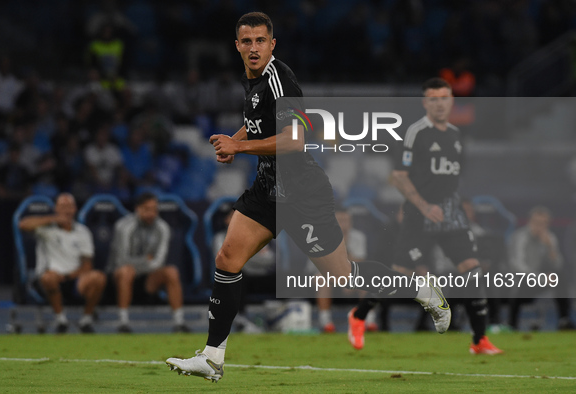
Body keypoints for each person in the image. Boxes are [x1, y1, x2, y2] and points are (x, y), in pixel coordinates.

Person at [166, 12, 451, 382]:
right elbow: (257, 122)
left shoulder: (279, 80)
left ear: (272, 44)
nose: (253, 48)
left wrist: (240, 145)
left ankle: (421, 289)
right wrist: (238, 143)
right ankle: (212, 357)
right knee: (227, 257)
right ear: (237, 45)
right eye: (246, 41)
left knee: (344, 276)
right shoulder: (251, 79)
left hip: (301, 193)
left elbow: (295, 139)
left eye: (260, 41)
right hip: (267, 190)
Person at [348, 78, 503, 355]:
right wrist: (423, 205)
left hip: (451, 217)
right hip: (419, 217)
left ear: (451, 101)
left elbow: (454, 179)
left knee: (473, 269)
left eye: (444, 97)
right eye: (433, 98)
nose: (439, 103)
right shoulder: (416, 133)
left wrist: (453, 207)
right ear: (425, 103)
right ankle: (359, 316)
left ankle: (479, 339)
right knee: (398, 276)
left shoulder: (456, 136)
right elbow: (398, 177)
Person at [18, 193, 106, 333]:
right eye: (63, 207)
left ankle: (86, 320)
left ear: (75, 209)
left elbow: (87, 265)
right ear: (56, 209)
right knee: (49, 278)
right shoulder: (45, 229)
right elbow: (23, 224)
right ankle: (61, 320)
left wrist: (70, 276)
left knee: (98, 277)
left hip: (73, 279)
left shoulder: (83, 232)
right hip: (49, 279)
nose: (67, 210)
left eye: (70, 206)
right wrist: (53, 218)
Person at [108, 192, 188, 333]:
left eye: (154, 209)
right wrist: (145, 260)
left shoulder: (163, 228)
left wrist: (139, 264)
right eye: (147, 209)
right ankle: (123, 322)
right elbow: (121, 261)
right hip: (119, 279)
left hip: (148, 280)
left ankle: (179, 322)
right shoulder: (123, 227)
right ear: (137, 209)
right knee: (126, 271)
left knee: (171, 271)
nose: (151, 213)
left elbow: (159, 262)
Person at [507, 206, 574, 330]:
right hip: (520, 280)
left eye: (543, 223)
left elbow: (558, 265)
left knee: (560, 277)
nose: (540, 227)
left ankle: (564, 320)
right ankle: (512, 325)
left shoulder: (549, 238)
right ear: (529, 221)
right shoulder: (521, 237)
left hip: (538, 280)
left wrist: (550, 247)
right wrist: (540, 277)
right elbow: (517, 265)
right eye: (537, 223)